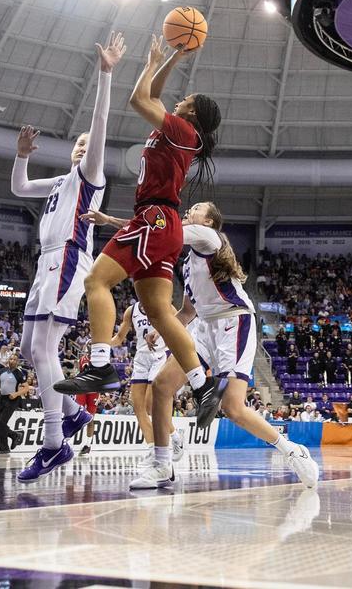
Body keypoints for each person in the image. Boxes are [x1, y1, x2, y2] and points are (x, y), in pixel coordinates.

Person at [85, 201, 317, 490]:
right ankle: (162, 464)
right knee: (162, 386)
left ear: (208, 222)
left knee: (233, 407)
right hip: (204, 327)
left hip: (234, 322)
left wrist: (109, 220)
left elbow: (156, 232)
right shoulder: (187, 262)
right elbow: (186, 312)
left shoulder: (209, 238)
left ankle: (291, 450)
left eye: (196, 209)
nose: (188, 210)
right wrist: (162, 328)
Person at [55, 35, 222, 433]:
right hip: (162, 224)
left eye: (187, 100)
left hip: (154, 218)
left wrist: (149, 65)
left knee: (96, 280)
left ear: (192, 112)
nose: (178, 100)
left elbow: (139, 99)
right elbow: (155, 93)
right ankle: (202, 386)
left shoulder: (182, 130)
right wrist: (170, 57)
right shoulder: (180, 131)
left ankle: (98, 366)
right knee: (163, 314)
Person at [10, 32, 122, 482]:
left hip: (69, 260)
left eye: (87, 143)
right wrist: (21, 157)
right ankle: (73, 411)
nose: (82, 147)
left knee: (42, 349)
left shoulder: (90, 176)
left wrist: (106, 74)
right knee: (26, 348)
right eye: (76, 144)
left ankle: (55, 443)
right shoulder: (60, 181)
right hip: (46, 264)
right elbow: (19, 187)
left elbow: (100, 120)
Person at [115, 300, 182, 469]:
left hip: (160, 355)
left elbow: (180, 325)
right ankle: (152, 448)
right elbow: (119, 338)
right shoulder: (131, 310)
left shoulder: (165, 304)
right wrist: (99, 344)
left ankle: (174, 437)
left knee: (152, 405)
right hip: (141, 358)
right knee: (138, 407)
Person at [0, 353, 26, 454]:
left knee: (1, 423)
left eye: (14, 359)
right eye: (11, 359)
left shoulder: (19, 373)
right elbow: (0, 383)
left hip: (12, 399)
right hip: (2, 398)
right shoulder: (2, 371)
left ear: (17, 362)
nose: (12, 361)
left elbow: (26, 388)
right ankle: (14, 435)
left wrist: (16, 394)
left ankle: (4, 448)